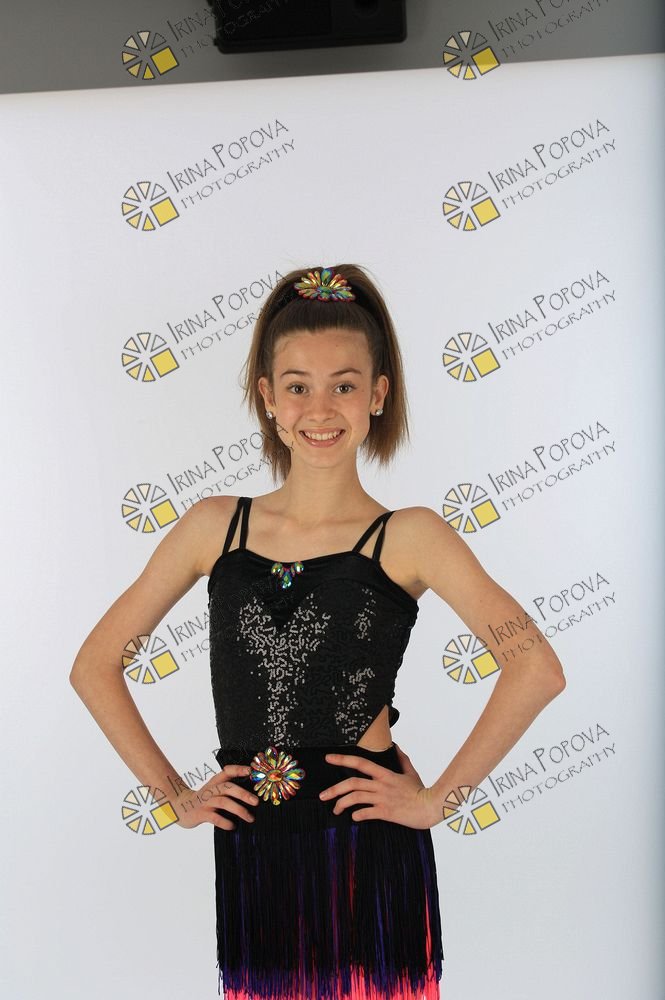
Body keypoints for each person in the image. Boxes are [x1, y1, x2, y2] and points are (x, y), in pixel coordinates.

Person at [70, 264, 566, 999]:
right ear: (268, 397)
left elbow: (535, 667)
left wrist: (437, 800)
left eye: (344, 384)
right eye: (298, 385)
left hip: (366, 840)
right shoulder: (215, 527)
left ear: (377, 395)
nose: (320, 408)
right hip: (255, 849)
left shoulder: (409, 536)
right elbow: (95, 664)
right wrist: (174, 796)